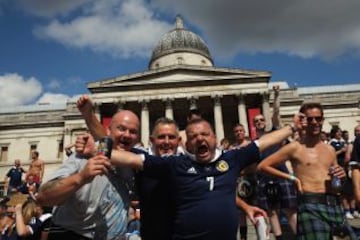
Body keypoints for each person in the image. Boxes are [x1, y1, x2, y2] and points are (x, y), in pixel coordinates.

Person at [107, 116, 300, 240]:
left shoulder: (232, 159)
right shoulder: (176, 164)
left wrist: (292, 127)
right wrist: (97, 148)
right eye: (194, 136)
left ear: (215, 137)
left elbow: (261, 143)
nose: (200, 139)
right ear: (187, 143)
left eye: (205, 134)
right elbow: (130, 158)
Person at [36, 99, 141, 239]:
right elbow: (43, 197)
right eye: (121, 128)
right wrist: (80, 178)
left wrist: (89, 116)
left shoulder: (132, 163)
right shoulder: (82, 157)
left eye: (133, 132)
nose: (127, 135)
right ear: (108, 130)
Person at [257, 102, 357, 239]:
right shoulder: (295, 147)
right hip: (310, 205)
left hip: (333, 204)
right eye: (310, 119)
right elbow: (263, 165)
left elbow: (335, 181)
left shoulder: (330, 150)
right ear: (303, 121)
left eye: (318, 118)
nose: (315, 122)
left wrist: (341, 177)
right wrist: (292, 178)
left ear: (323, 120)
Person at [253, 85, 297, 238]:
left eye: (261, 120)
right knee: (271, 212)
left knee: (290, 209)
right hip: (264, 178)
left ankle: (300, 236)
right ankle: (279, 237)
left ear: (265, 122)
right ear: (254, 125)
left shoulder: (274, 133)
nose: (259, 122)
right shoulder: (253, 143)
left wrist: (276, 94)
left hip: (281, 174)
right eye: (256, 121)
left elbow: (276, 113)